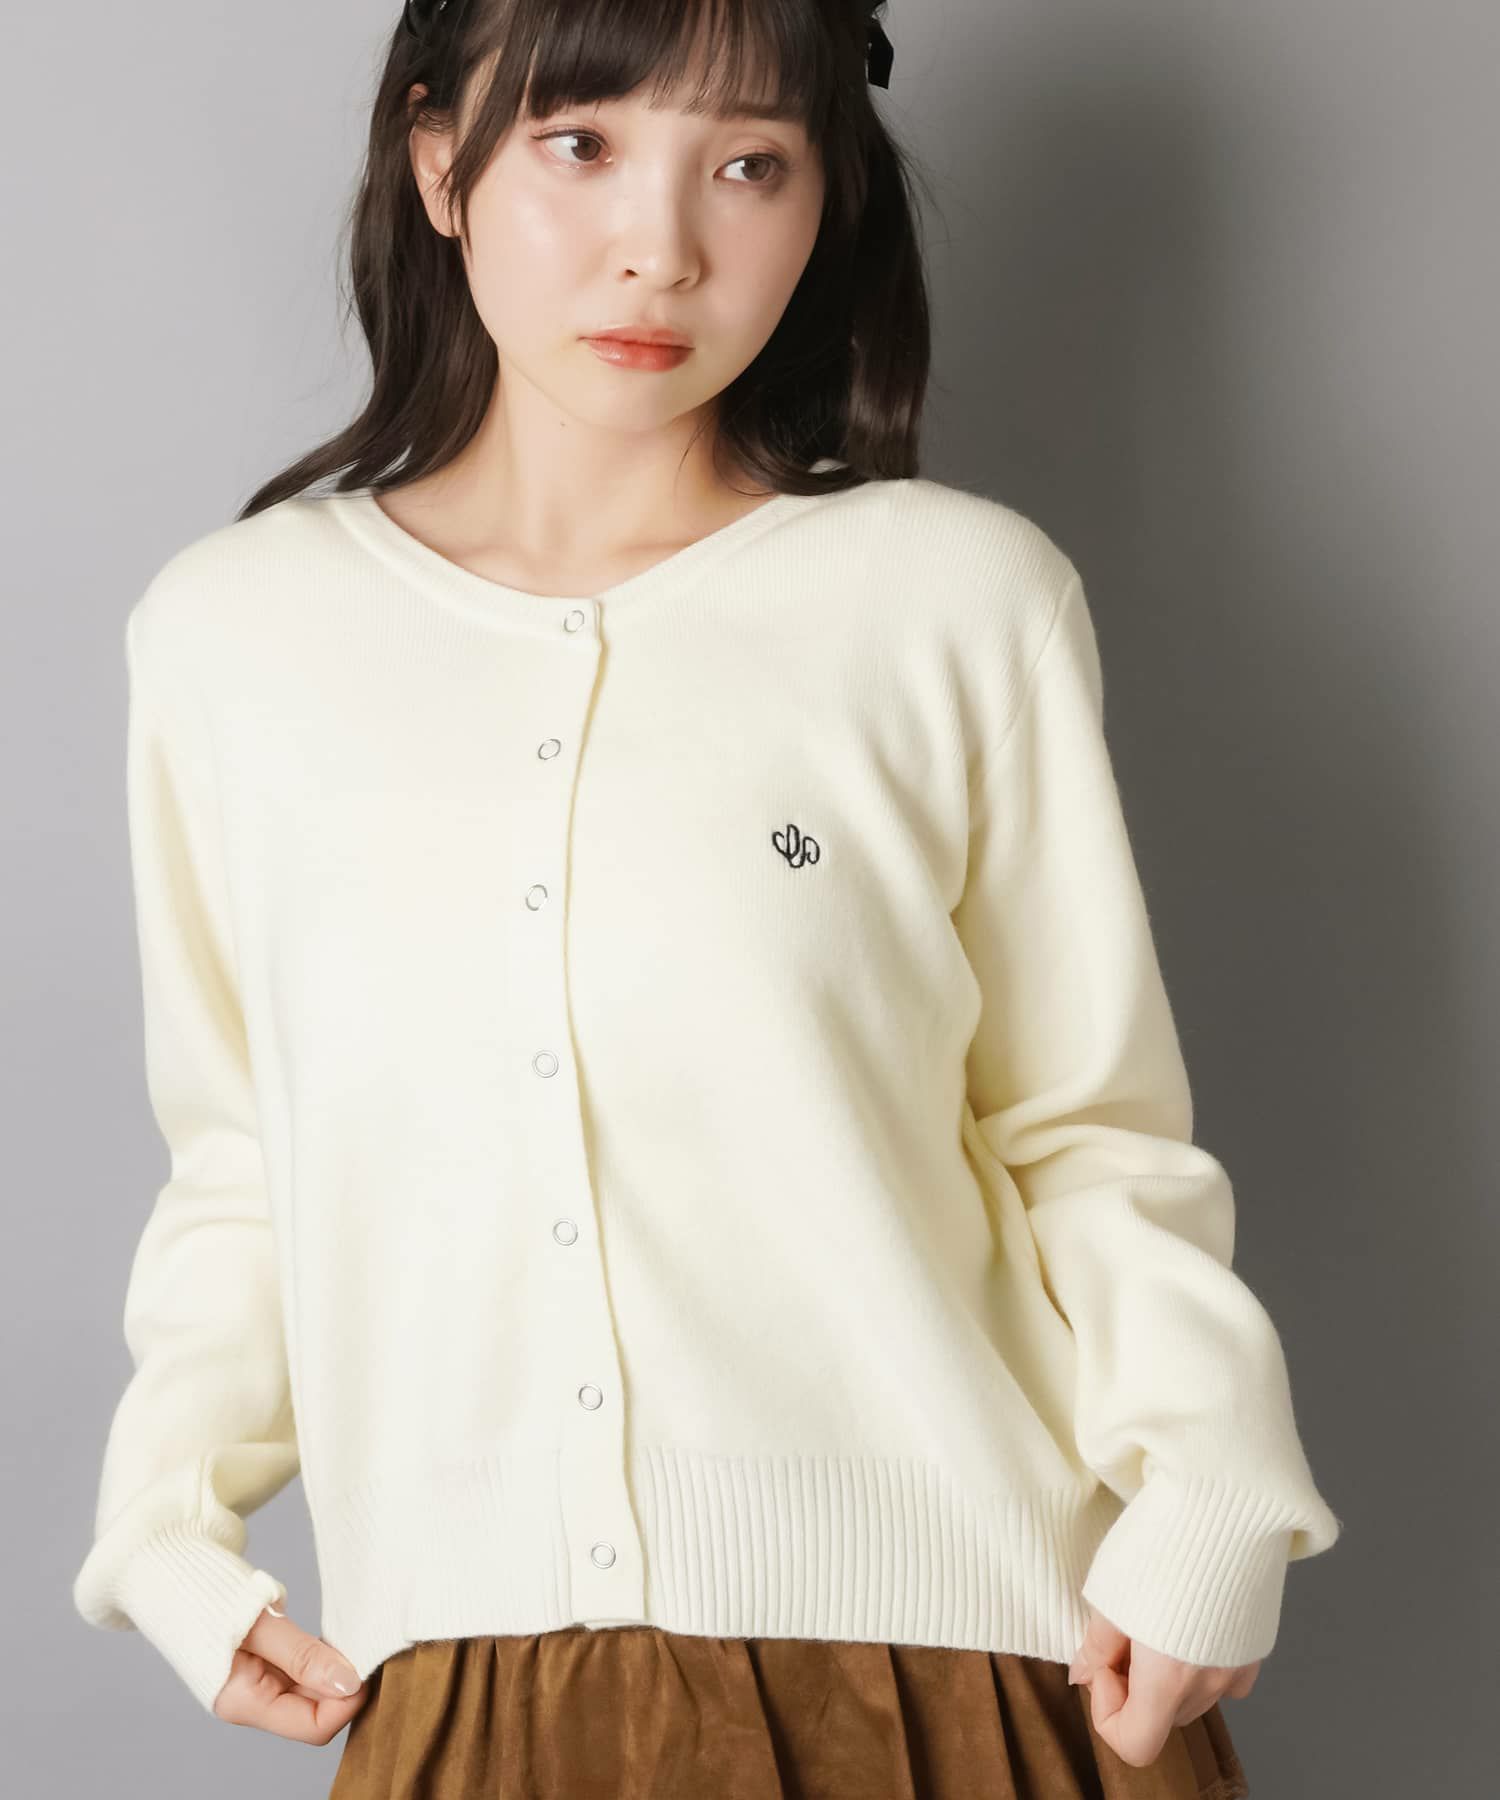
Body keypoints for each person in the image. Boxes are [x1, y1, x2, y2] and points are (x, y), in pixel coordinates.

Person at [72, 2, 1341, 1795]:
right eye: (580, 145)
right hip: (480, 1693)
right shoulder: (235, 641)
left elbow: (1088, 1133)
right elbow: (244, 1165)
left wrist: (1213, 1488)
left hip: (978, 1678)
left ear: (826, 199)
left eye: (748, 164)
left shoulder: (954, 603)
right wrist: (161, 1522)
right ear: (438, 160)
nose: (662, 246)